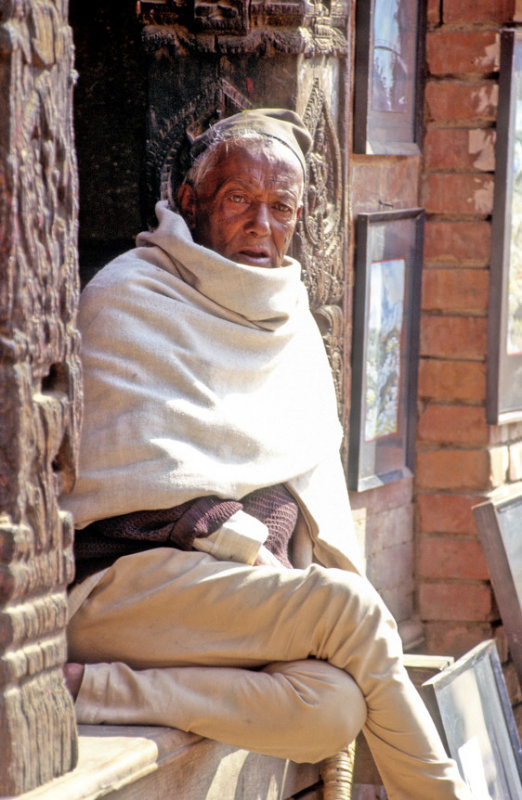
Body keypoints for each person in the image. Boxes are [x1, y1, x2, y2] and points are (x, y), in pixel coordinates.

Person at [63, 108, 471, 799]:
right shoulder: (129, 294)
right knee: (354, 612)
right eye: (238, 200)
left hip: (239, 600)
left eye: (281, 206)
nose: (262, 224)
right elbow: (116, 491)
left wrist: (271, 535)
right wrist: (239, 533)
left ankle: (98, 692)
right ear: (191, 204)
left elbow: (301, 474)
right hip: (123, 590)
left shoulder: (291, 318)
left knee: (332, 709)